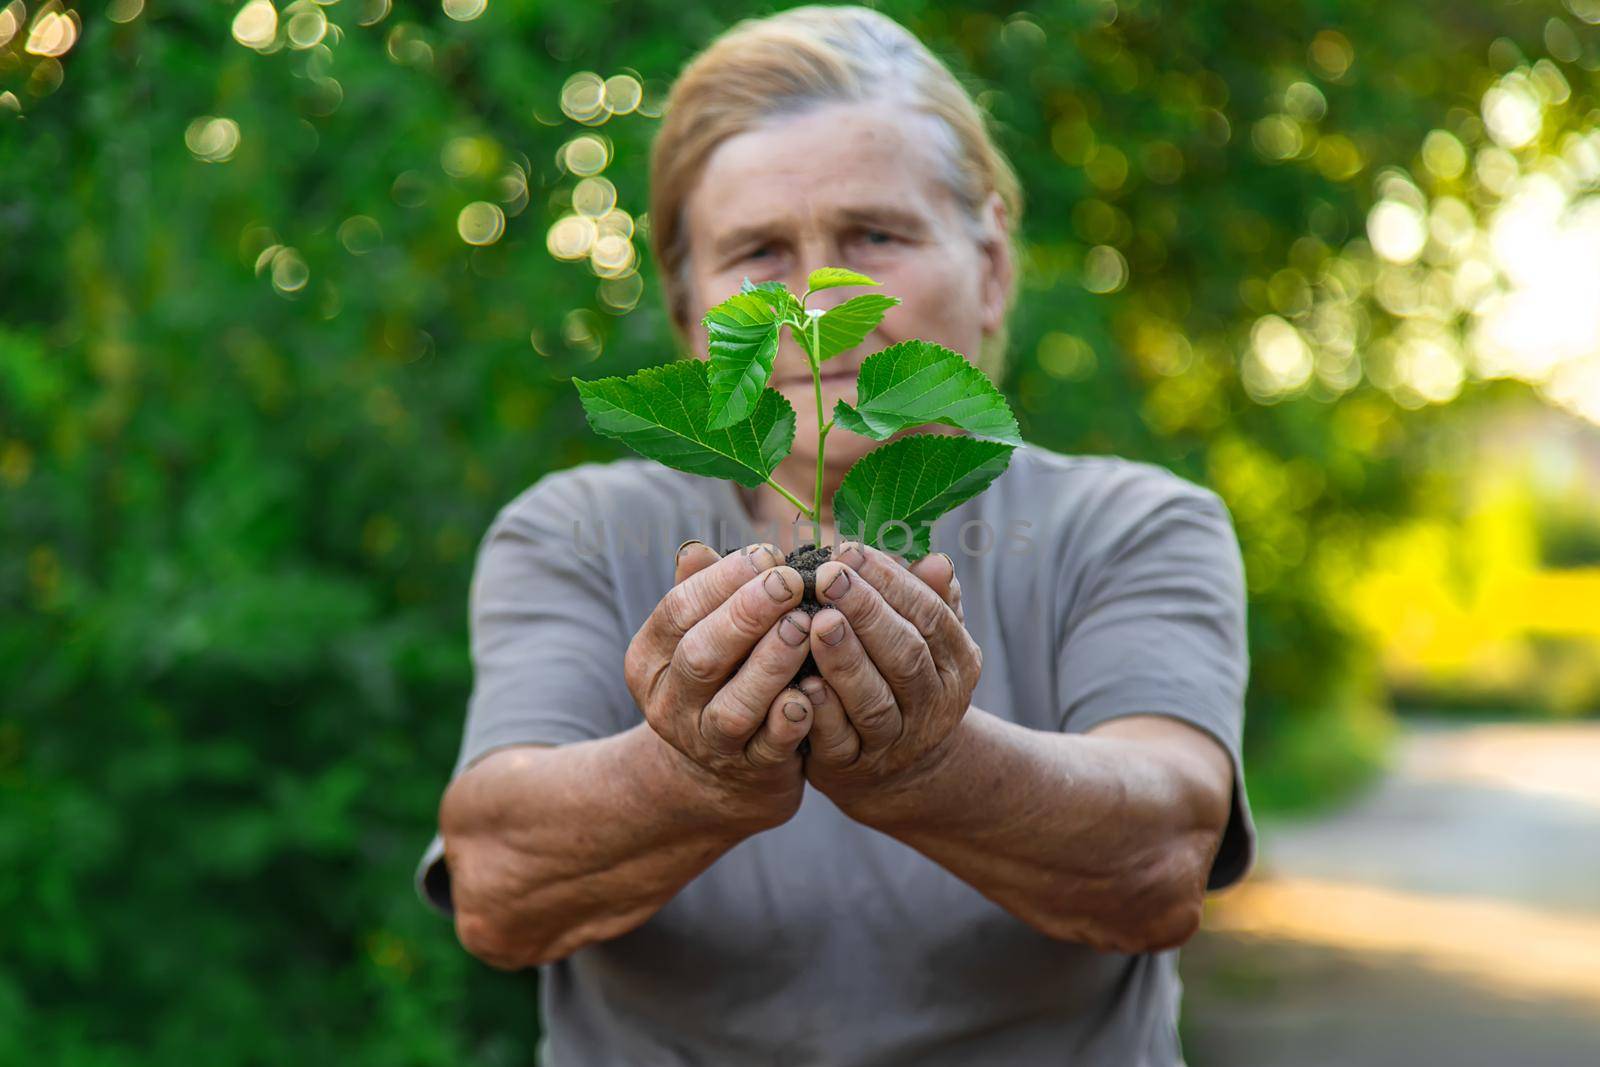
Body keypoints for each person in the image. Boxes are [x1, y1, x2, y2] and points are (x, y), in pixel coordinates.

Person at [417, 6, 1255, 1064]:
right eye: (758, 253)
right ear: (688, 314)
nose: (815, 298)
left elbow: (1161, 855)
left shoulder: (1130, 524)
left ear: (990, 263)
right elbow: (497, 886)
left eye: (876, 236)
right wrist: (692, 774)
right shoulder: (578, 530)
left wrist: (929, 768)